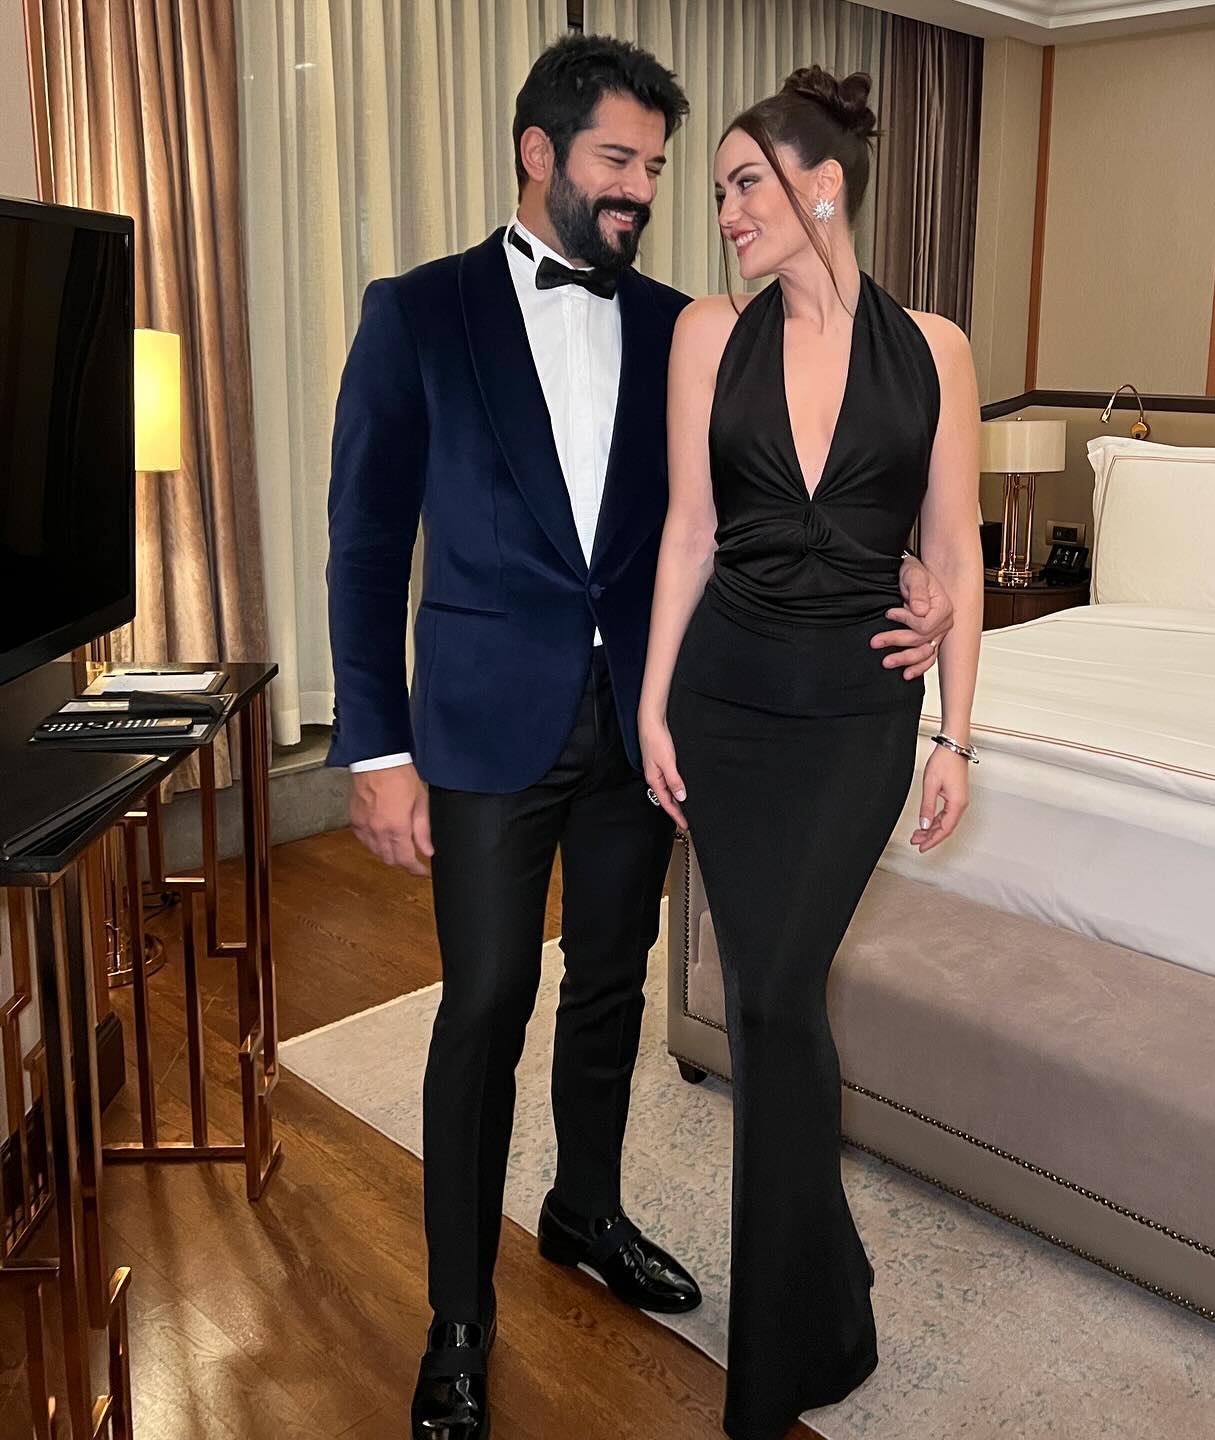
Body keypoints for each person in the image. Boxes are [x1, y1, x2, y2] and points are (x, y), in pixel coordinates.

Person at [326, 36, 956, 1440]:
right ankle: (459, 1320)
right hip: (483, 730)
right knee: (485, 1006)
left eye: (659, 169)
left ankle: (586, 1209)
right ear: (539, 154)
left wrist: (912, 571)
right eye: (620, 161)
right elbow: (364, 546)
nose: (645, 192)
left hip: (647, 729)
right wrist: (373, 747)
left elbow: (752, 509)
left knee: (610, 988)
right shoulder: (417, 313)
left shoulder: (691, 327)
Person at [638, 66, 983, 1440]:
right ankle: (824, 1301)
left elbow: (953, 550)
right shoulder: (706, 336)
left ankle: (788, 1342)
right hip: (725, 704)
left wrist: (958, 728)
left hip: (857, 717)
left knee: (779, 992)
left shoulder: (936, 349)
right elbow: (688, 533)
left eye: (745, 184)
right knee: (771, 1007)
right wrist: (653, 705)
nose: (723, 211)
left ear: (821, 187)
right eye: (719, 189)